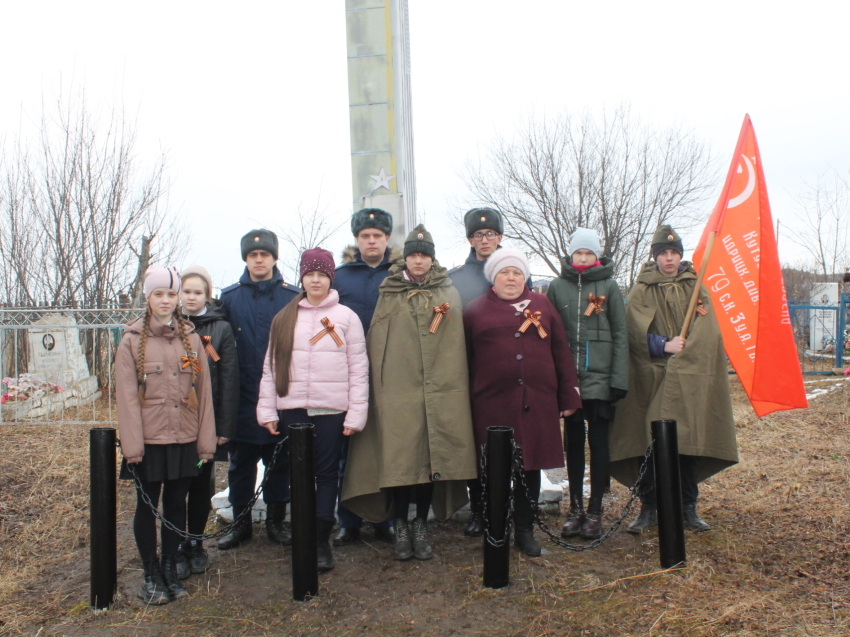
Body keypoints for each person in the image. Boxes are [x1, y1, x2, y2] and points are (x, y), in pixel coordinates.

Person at [341, 224, 477, 561]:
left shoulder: (449, 294)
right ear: (407, 259)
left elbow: (456, 347)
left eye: (424, 255)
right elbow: (378, 344)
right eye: (413, 254)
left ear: (432, 259)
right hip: (398, 394)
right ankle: (399, 522)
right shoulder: (389, 292)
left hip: (439, 390)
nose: (418, 260)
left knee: (431, 457)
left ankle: (420, 523)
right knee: (401, 458)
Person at [610, 225, 739, 534]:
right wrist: (663, 345)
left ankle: (687, 506)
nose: (669, 259)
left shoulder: (697, 287)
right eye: (663, 254)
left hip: (690, 378)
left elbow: (710, 334)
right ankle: (649, 507)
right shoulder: (643, 288)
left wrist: (686, 355)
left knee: (689, 442)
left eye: (674, 253)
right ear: (656, 258)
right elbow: (632, 332)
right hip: (651, 377)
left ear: (681, 256)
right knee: (648, 442)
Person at [464, 248, 582, 556]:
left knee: (529, 467)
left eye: (517, 272)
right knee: (495, 469)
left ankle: (526, 529)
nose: (511, 278)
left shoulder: (542, 305)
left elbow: (560, 349)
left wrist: (568, 393)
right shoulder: (475, 311)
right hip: (491, 406)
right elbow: (464, 359)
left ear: (525, 276)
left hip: (536, 402)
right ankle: (496, 527)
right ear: (494, 278)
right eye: (504, 272)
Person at [256, 248, 369, 571]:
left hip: (331, 411)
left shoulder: (346, 318)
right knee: (298, 474)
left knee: (327, 474)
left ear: (330, 278)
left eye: (321, 274)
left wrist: (356, 413)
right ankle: (302, 532)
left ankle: (321, 538)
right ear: (302, 278)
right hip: (292, 409)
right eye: (310, 274)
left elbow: (358, 369)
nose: (315, 280)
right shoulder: (285, 317)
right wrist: (267, 410)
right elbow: (270, 367)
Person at [115, 265, 217, 604]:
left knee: (176, 506)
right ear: (148, 297)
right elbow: (127, 399)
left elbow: (203, 394)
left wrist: (206, 441)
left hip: (184, 438)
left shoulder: (191, 340)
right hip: (149, 442)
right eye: (159, 294)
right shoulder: (131, 342)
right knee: (147, 508)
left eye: (171, 294)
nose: (166, 300)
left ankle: (170, 569)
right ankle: (150, 573)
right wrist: (132, 447)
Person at [448, 207, 533, 536]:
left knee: (517, 445)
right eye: (478, 235)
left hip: (512, 375)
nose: (485, 240)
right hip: (471, 374)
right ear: (470, 239)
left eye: (491, 234)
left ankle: (516, 506)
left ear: (500, 237)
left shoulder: (516, 273)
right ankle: (480, 508)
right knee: (477, 445)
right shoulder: (455, 280)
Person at [217, 230, 301, 550]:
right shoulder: (230, 298)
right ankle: (240, 525)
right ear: (246, 259)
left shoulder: (291, 297)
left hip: (281, 396)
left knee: (279, 463)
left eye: (264, 254)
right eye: (253, 255)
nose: (259, 259)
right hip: (242, 397)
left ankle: (277, 523)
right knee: (241, 465)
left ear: (275, 258)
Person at [546, 229, 628, 539]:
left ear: (597, 256)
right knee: (574, 445)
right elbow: (551, 335)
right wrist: (555, 382)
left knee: (599, 444)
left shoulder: (608, 285)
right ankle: (576, 508)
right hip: (571, 383)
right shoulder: (557, 287)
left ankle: (595, 510)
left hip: (601, 381)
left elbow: (621, 334)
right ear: (570, 255)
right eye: (578, 252)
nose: (583, 257)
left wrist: (618, 380)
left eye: (588, 253)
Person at [331, 208, 400, 546]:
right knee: (349, 448)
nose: (371, 241)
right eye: (365, 236)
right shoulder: (340, 277)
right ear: (357, 240)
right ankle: (349, 520)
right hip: (347, 375)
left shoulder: (401, 274)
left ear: (387, 239)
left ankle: (384, 519)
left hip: (393, 374)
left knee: (387, 449)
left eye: (377, 235)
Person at [172, 266, 238, 578]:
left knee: (200, 484)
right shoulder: (167, 326)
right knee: (174, 487)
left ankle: (195, 543)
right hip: (172, 423)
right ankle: (174, 545)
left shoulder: (220, 329)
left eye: (198, 292)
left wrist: (223, 428)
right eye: (186, 291)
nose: (192, 297)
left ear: (206, 295)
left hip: (204, 424)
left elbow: (227, 379)